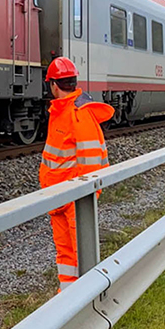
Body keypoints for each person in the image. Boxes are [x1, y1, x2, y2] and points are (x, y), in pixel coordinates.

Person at [39, 57, 114, 292]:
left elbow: (92, 165)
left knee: (82, 253)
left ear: (53, 84)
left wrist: (83, 199)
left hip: (73, 199)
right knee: (66, 254)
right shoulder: (60, 111)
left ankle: (87, 299)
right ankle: (68, 297)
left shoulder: (78, 113)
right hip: (58, 196)